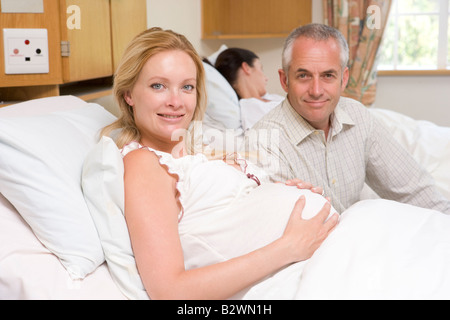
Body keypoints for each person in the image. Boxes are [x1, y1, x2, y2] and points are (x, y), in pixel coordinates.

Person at [101, 27, 339, 300]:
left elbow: (227, 218)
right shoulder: (145, 165)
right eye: (158, 86)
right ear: (129, 93)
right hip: (294, 273)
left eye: (187, 87)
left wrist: (278, 193)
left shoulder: (193, 148)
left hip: (315, 258)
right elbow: (170, 291)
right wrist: (288, 247)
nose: (176, 102)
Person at [247, 23, 450, 214]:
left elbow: (413, 189)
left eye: (328, 75)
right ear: (285, 80)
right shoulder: (264, 141)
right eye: (303, 76)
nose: (316, 91)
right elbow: (292, 233)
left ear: (343, 79)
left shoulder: (357, 116)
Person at [214, 48, 284, 130]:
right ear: (246, 68)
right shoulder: (250, 108)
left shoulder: (271, 98)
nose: (266, 78)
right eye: (261, 68)